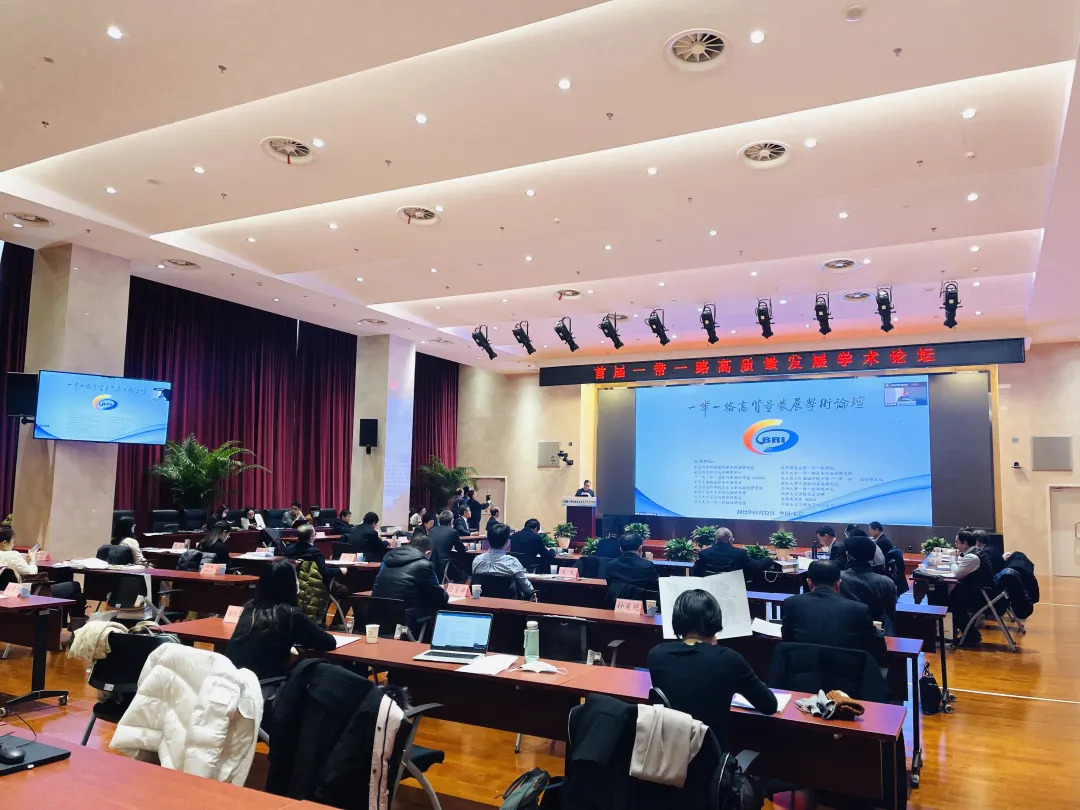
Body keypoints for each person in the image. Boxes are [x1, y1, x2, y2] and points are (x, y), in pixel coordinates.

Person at [648, 589, 777, 748]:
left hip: (669, 751)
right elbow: (769, 705)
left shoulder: (657, 656)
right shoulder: (728, 659)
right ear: (715, 621)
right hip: (711, 755)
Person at [225, 560, 336, 680]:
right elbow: (329, 642)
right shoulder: (291, 614)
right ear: (291, 585)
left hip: (230, 678)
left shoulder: (250, 607)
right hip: (262, 684)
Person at [781, 561, 885, 658]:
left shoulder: (792, 604)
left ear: (809, 583)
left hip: (801, 668)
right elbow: (878, 648)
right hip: (845, 669)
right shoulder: (858, 610)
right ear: (839, 583)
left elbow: (787, 638)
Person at [0, 525, 86, 625]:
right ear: (4, 543)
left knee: (78, 596)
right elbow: (31, 573)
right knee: (75, 586)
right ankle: (75, 626)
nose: (13, 545)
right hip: (28, 594)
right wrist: (33, 560)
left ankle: (66, 623)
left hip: (6, 596)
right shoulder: (12, 555)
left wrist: (24, 560)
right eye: (12, 542)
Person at [372, 533, 449, 639]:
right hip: (406, 621)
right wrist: (445, 594)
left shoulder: (386, 561)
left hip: (377, 617)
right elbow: (439, 598)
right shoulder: (423, 564)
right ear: (428, 553)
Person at [839, 534, 897, 633]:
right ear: (873, 556)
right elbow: (891, 613)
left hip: (842, 630)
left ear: (848, 555)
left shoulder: (838, 578)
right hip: (876, 632)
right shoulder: (886, 582)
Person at [949, 528, 996, 645]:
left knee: (949, 602)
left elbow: (957, 573)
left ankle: (970, 636)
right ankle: (968, 634)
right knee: (951, 597)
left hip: (980, 595)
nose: (955, 545)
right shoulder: (977, 551)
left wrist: (952, 559)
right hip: (980, 590)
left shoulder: (972, 557)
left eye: (957, 542)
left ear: (965, 544)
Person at [472, 522, 534, 600]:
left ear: (488, 540)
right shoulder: (512, 562)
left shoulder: (477, 560)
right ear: (507, 542)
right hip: (509, 605)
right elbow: (527, 588)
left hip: (482, 604)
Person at [430, 510, 470, 582]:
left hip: (431, 563)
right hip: (444, 564)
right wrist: (466, 547)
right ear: (451, 521)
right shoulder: (452, 532)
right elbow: (461, 549)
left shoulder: (432, 530)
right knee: (464, 573)